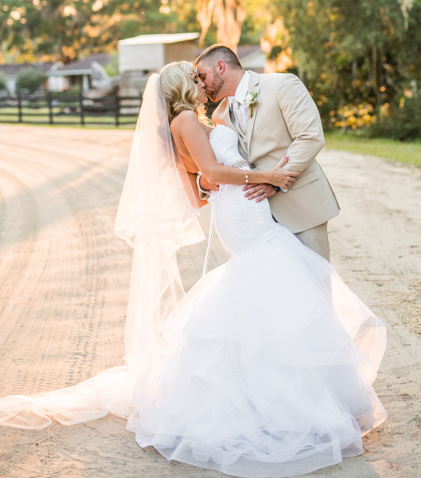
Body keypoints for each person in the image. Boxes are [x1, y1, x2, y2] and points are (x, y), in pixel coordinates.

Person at [0, 61, 386, 478]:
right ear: (184, 84)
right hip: (246, 211)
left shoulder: (185, 123)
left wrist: (215, 179)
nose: (202, 82)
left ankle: (284, 387)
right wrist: (268, 176)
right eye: (196, 77)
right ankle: (286, 399)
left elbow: (200, 188)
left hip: (238, 209)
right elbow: (214, 172)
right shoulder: (185, 120)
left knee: (265, 291)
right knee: (277, 281)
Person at [195, 45, 340, 262]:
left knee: (314, 285)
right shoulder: (219, 116)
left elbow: (309, 137)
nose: (202, 85)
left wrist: (274, 182)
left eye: (202, 76)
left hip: (301, 205)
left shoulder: (282, 85)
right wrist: (204, 183)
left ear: (220, 67)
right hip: (257, 220)